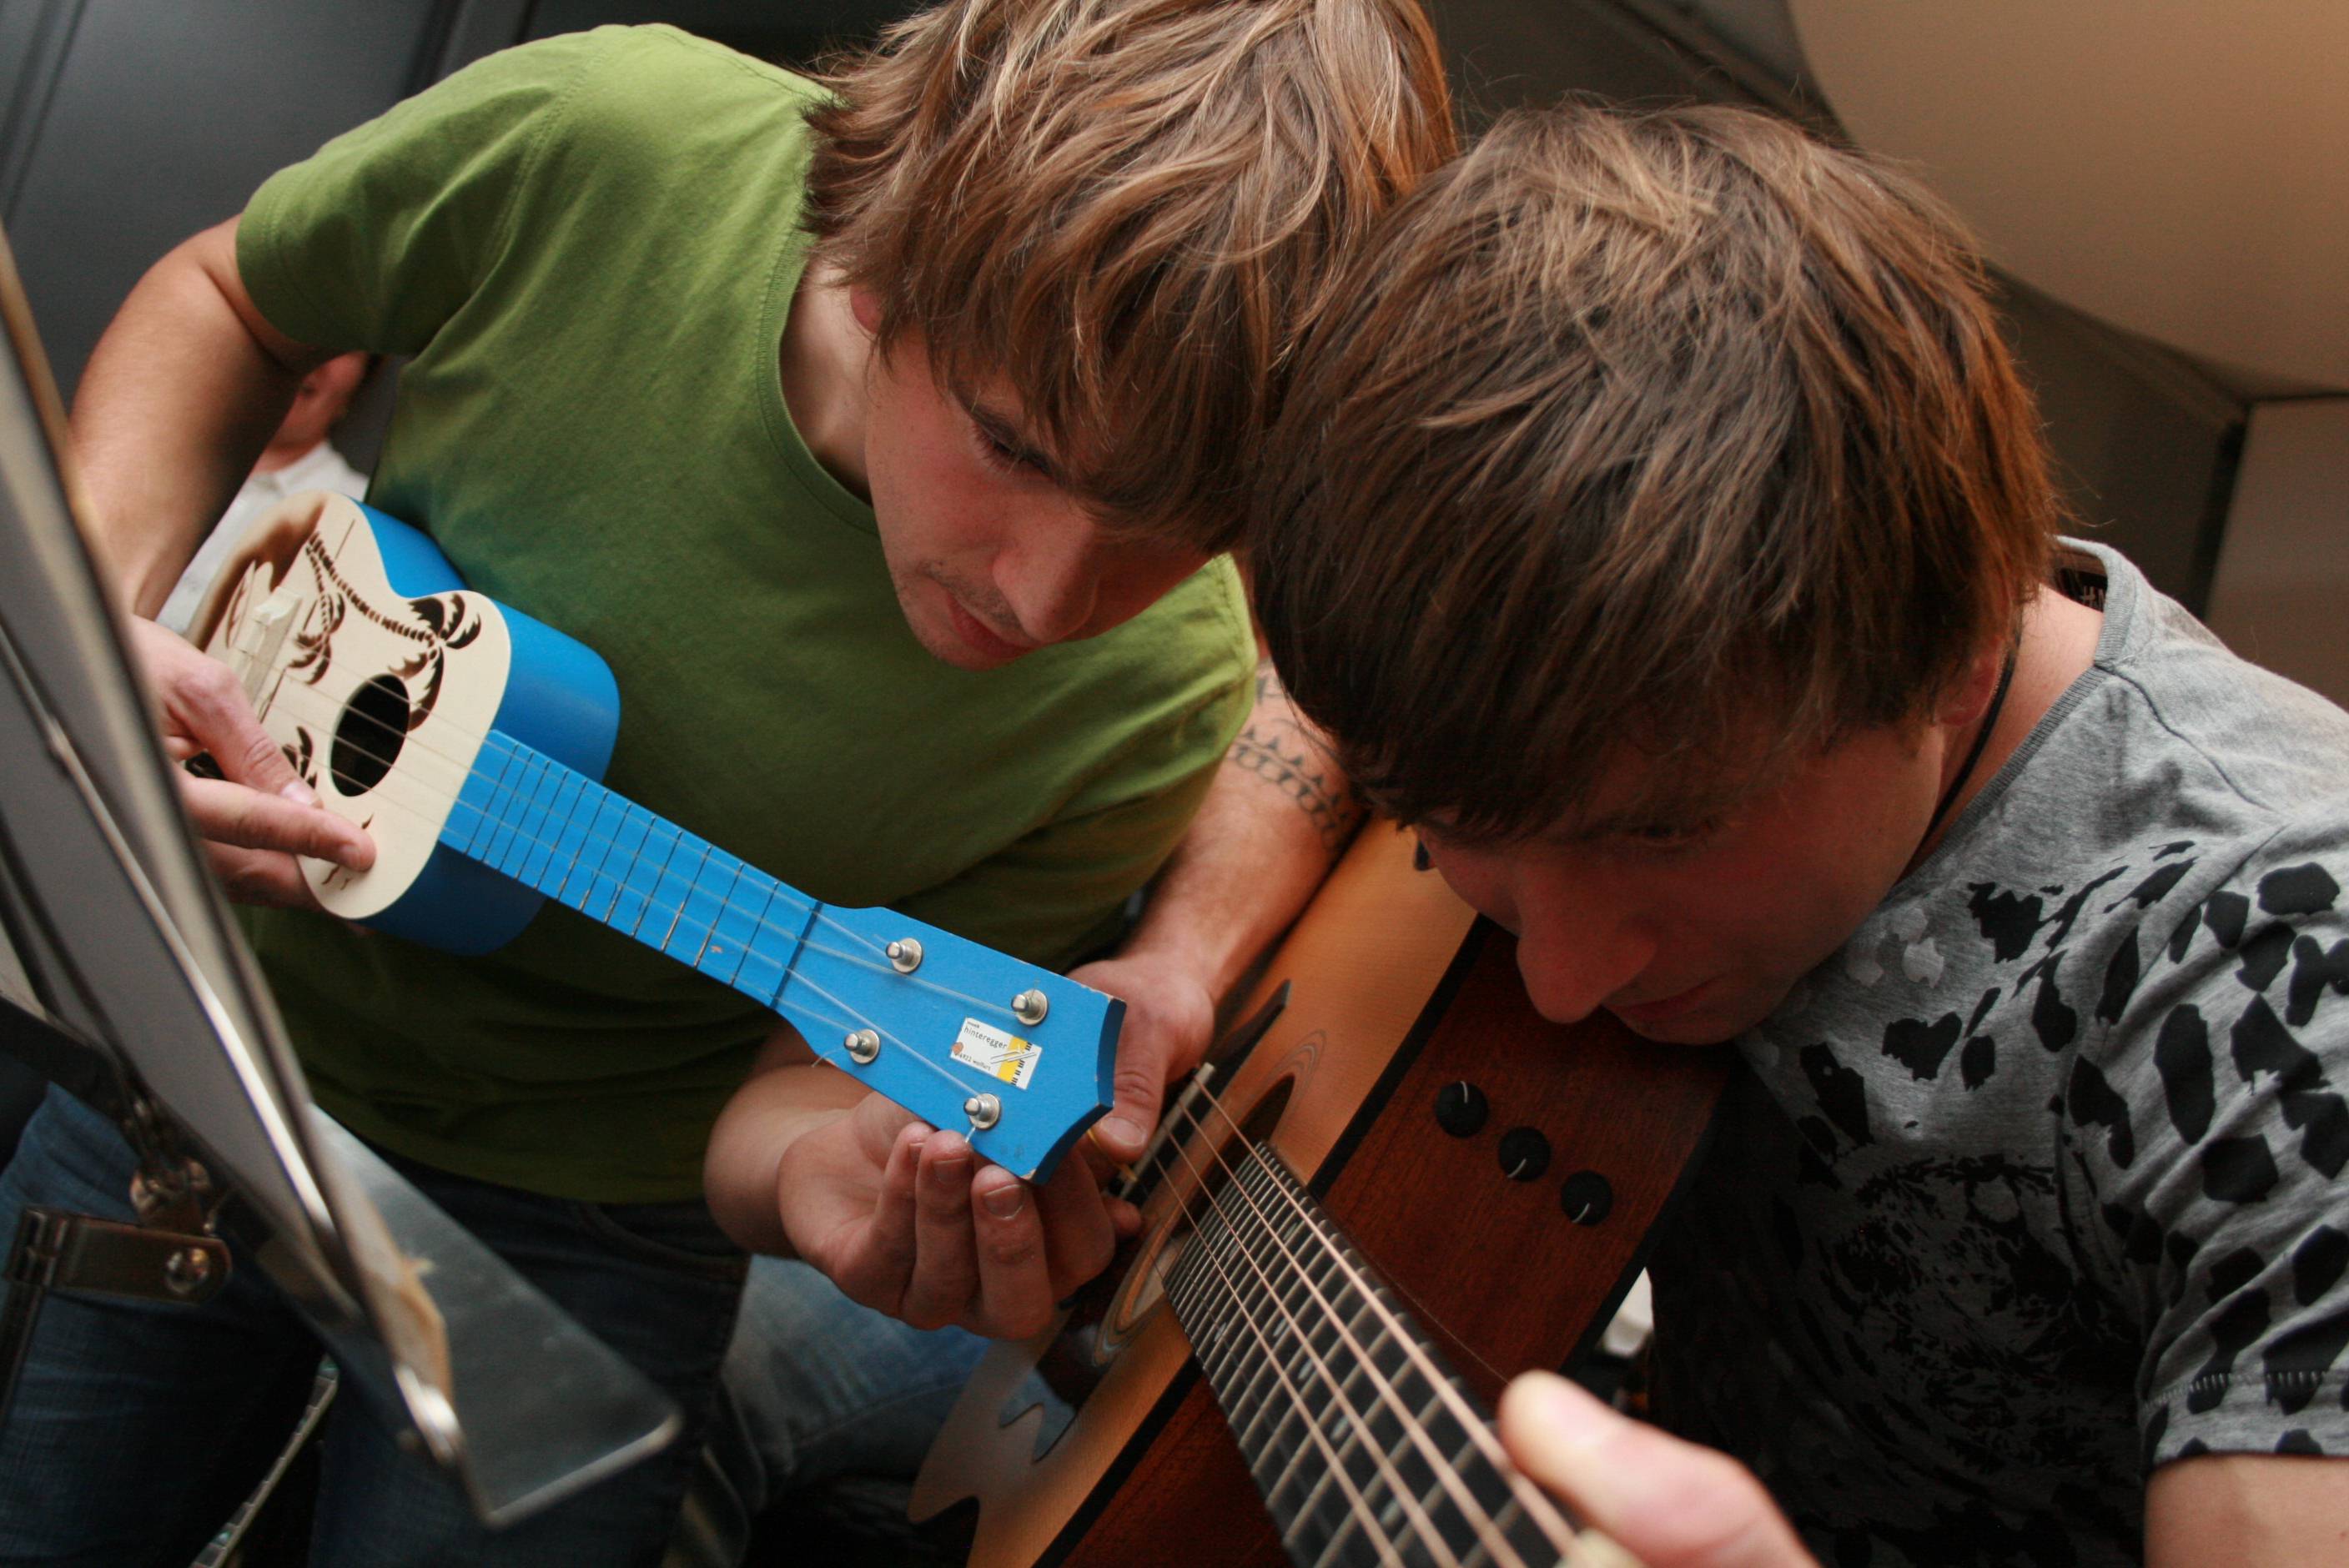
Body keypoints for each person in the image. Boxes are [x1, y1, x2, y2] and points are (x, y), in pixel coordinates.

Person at [0, 3, 1449, 1561]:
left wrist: (823, 1174)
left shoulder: (1160, 699)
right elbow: (236, 295)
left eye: (1170, 530)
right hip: (203, 1038)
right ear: (891, 260)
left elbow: (789, 1096)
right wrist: (88, 640)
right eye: (1016, 447)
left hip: (606, 1227)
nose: (1047, 599)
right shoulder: (605, 144)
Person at [1247, 103, 2349, 1565]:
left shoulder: (2285, 976)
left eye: (1665, 832)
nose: (1563, 979)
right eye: (1450, 823)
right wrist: (1199, 952)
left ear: (1959, 647)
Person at [153, 348, 373, 635]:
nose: (311, 356)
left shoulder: (362, 518)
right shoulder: (147, 457)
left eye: (344, 347)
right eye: (297, 328)